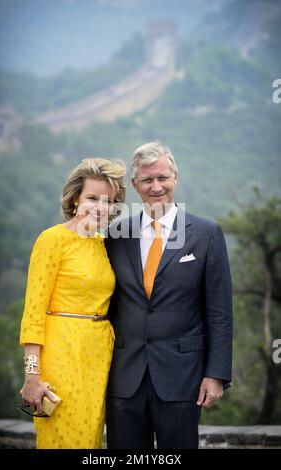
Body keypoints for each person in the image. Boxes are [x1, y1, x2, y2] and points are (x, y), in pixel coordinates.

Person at [105, 141, 233, 449]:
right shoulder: (115, 235)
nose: (157, 186)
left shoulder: (206, 234)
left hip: (182, 376)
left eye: (163, 177)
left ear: (175, 177)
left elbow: (220, 312)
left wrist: (216, 375)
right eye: (148, 180)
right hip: (124, 376)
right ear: (135, 184)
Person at [19, 158, 126, 449]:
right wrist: (32, 375)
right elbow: (33, 313)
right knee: (65, 439)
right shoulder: (53, 240)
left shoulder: (104, 244)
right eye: (92, 197)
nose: (99, 207)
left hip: (99, 356)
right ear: (76, 197)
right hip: (61, 354)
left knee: (90, 440)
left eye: (108, 200)